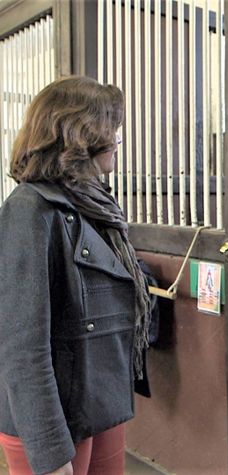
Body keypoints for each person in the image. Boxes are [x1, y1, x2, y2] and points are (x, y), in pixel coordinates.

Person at [0, 76, 151, 475]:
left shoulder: (91, 204)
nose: (118, 140)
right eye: (111, 130)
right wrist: (49, 454)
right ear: (80, 135)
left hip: (96, 402)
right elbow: (21, 346)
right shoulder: (30, 210)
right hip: (55, 418)